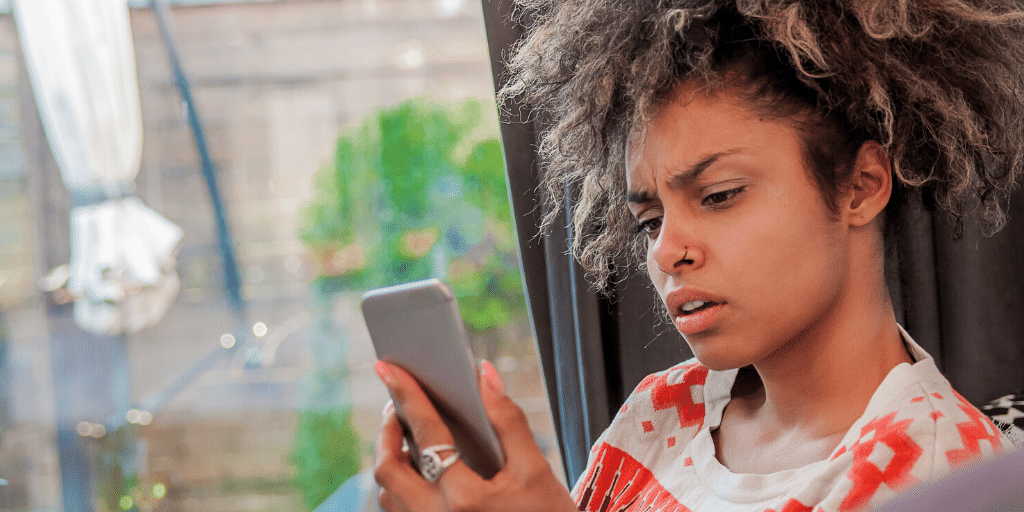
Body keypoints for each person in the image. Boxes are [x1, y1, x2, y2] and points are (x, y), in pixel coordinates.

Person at [372, 1, 1024, 510]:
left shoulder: (940, 472)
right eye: (649, 219)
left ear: (862, 186)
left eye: (718, 195)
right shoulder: (664, 410)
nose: (667, 252)